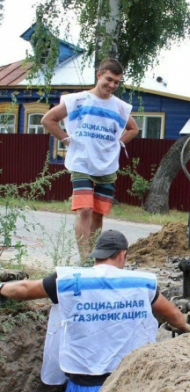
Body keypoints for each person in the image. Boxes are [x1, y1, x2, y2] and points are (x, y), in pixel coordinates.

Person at [0, 229, 190, 392]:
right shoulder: (142, 284)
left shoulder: (68, 281)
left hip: (83, 388)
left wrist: (2, 287)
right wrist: (188, 330)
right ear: (122, 254)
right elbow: (173, 315)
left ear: (96, 255)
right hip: (127, 386)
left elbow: (24, 289)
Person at [41, 58, 139, 263]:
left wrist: (118, 144)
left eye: (117, 82)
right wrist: (66, 140)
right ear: (99, 75)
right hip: (82, 163)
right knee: (84, 209)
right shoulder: (77, 101)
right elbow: (48, 119)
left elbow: (133, 129)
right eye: (109, 79)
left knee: (98, 213)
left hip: (107, 165)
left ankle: (96, 258)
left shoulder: (120, 107)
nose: (112, 85)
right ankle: (84, 260)